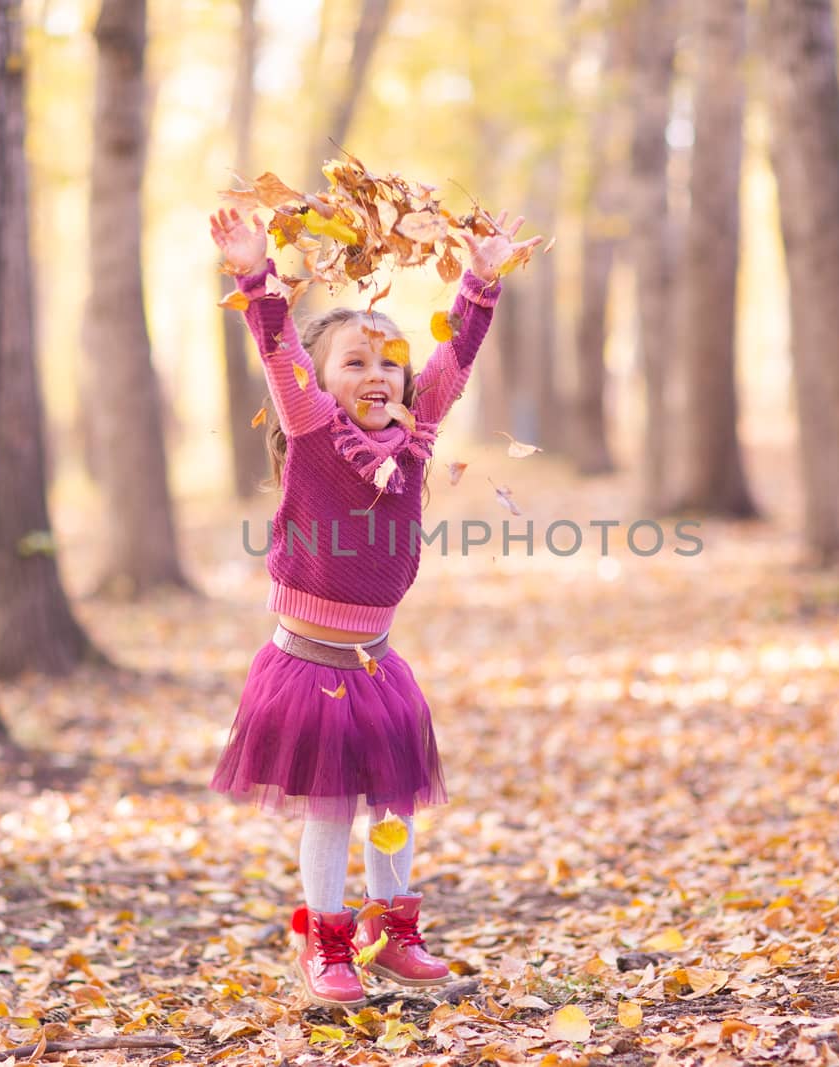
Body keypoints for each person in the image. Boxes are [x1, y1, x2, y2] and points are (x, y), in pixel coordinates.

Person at [207, 205, 541, 1009]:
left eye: (390, 363)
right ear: (322, 386)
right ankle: (326, 940)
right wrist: (257, 279)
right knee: (330, 811)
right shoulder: (317, 433)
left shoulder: (417, 434)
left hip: (376, 665)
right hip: (307, 665)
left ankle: (395, 933)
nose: (378, 375)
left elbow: (455, 357)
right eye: (355, 363)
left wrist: (481, 281)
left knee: (394, 802)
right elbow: (281, 353)